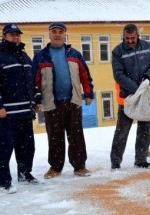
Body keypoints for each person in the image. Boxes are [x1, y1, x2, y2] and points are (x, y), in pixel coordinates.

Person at [0, 23, 42, 194]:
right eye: (12, 34)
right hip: (7, 113)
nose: (15, 37)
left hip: (25, 111)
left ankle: (24, 174)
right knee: (5, 148)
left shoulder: (23, 56)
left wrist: (36, 100)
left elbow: (32, 81)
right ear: (4, 36)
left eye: (17, 35)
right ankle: (4, 182)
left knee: (27, 146)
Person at [33, 22, 94, 179]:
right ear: (49, 34)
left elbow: (85, 75)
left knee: (76, 135)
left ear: (65, 35)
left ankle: (79, 166)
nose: (58, 34)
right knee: (55, 136)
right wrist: (36, 98)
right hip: (51, 103)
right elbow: (35, 80)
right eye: (54, 31)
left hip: (72, 101)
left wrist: (88, 93)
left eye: (61, 31)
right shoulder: (41, 55)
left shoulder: (74, 54)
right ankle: (55, 167)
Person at [110, 23, 150, 169]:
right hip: (128, 98)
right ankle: (115, 162)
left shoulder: (147, 46)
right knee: (122, 130)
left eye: (132, 38)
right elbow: (118, 75)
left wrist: (148, 75)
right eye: (127, 38)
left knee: (144, 129)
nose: (130, 41)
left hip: (146, 96)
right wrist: (136, 89)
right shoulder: (117, 52)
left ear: (138, 36)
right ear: (123, 36)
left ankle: (141, 159)